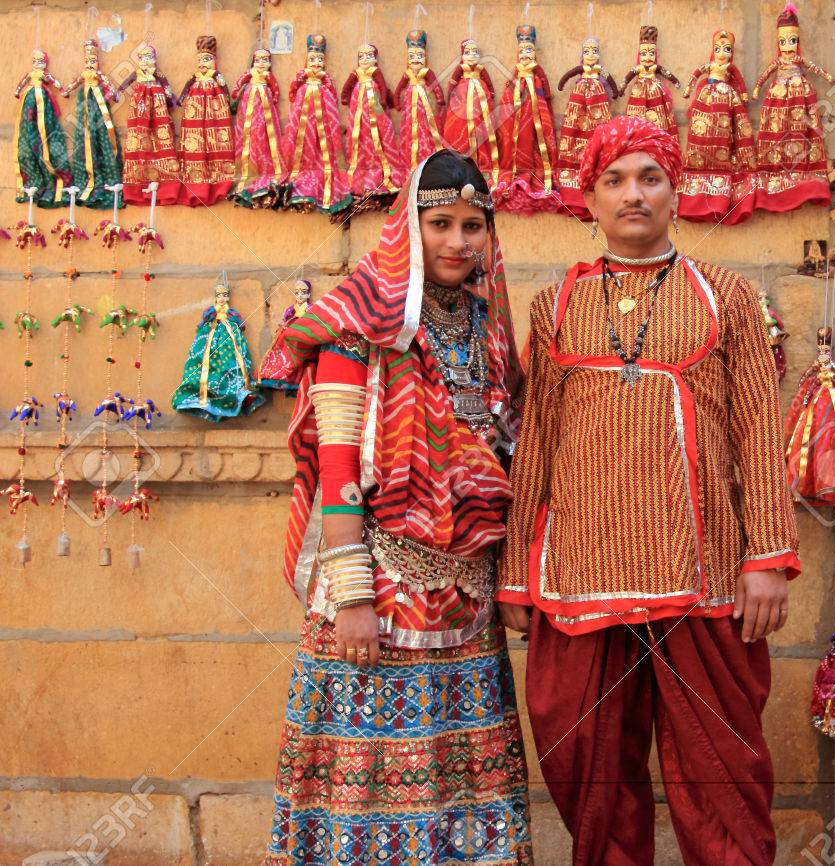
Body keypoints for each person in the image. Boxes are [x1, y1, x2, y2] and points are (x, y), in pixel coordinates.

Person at [498, 115, 800, 865]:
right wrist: (514, 576)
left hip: (700, 573)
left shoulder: (726, 295)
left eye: (649, 178)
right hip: (577, 576)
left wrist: (767, 555)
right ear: (590, 200)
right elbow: (535, 440)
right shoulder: (557, 303)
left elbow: (759, 431)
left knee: (722, 774)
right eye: (614, 180)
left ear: (675, 193)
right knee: (584, 767)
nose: (633, 195)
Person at [259, 149, 533, 866]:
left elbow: (505, 457)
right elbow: (340, 470)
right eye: (440, 222)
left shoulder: (488, 330)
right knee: (368, 788)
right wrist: (352, 598)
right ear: (408, 227)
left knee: (463, 785)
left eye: (474, 225)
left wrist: (507, 578)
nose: (458, 242)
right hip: (377, 595)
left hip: (467, 598)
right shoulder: (361, 323)